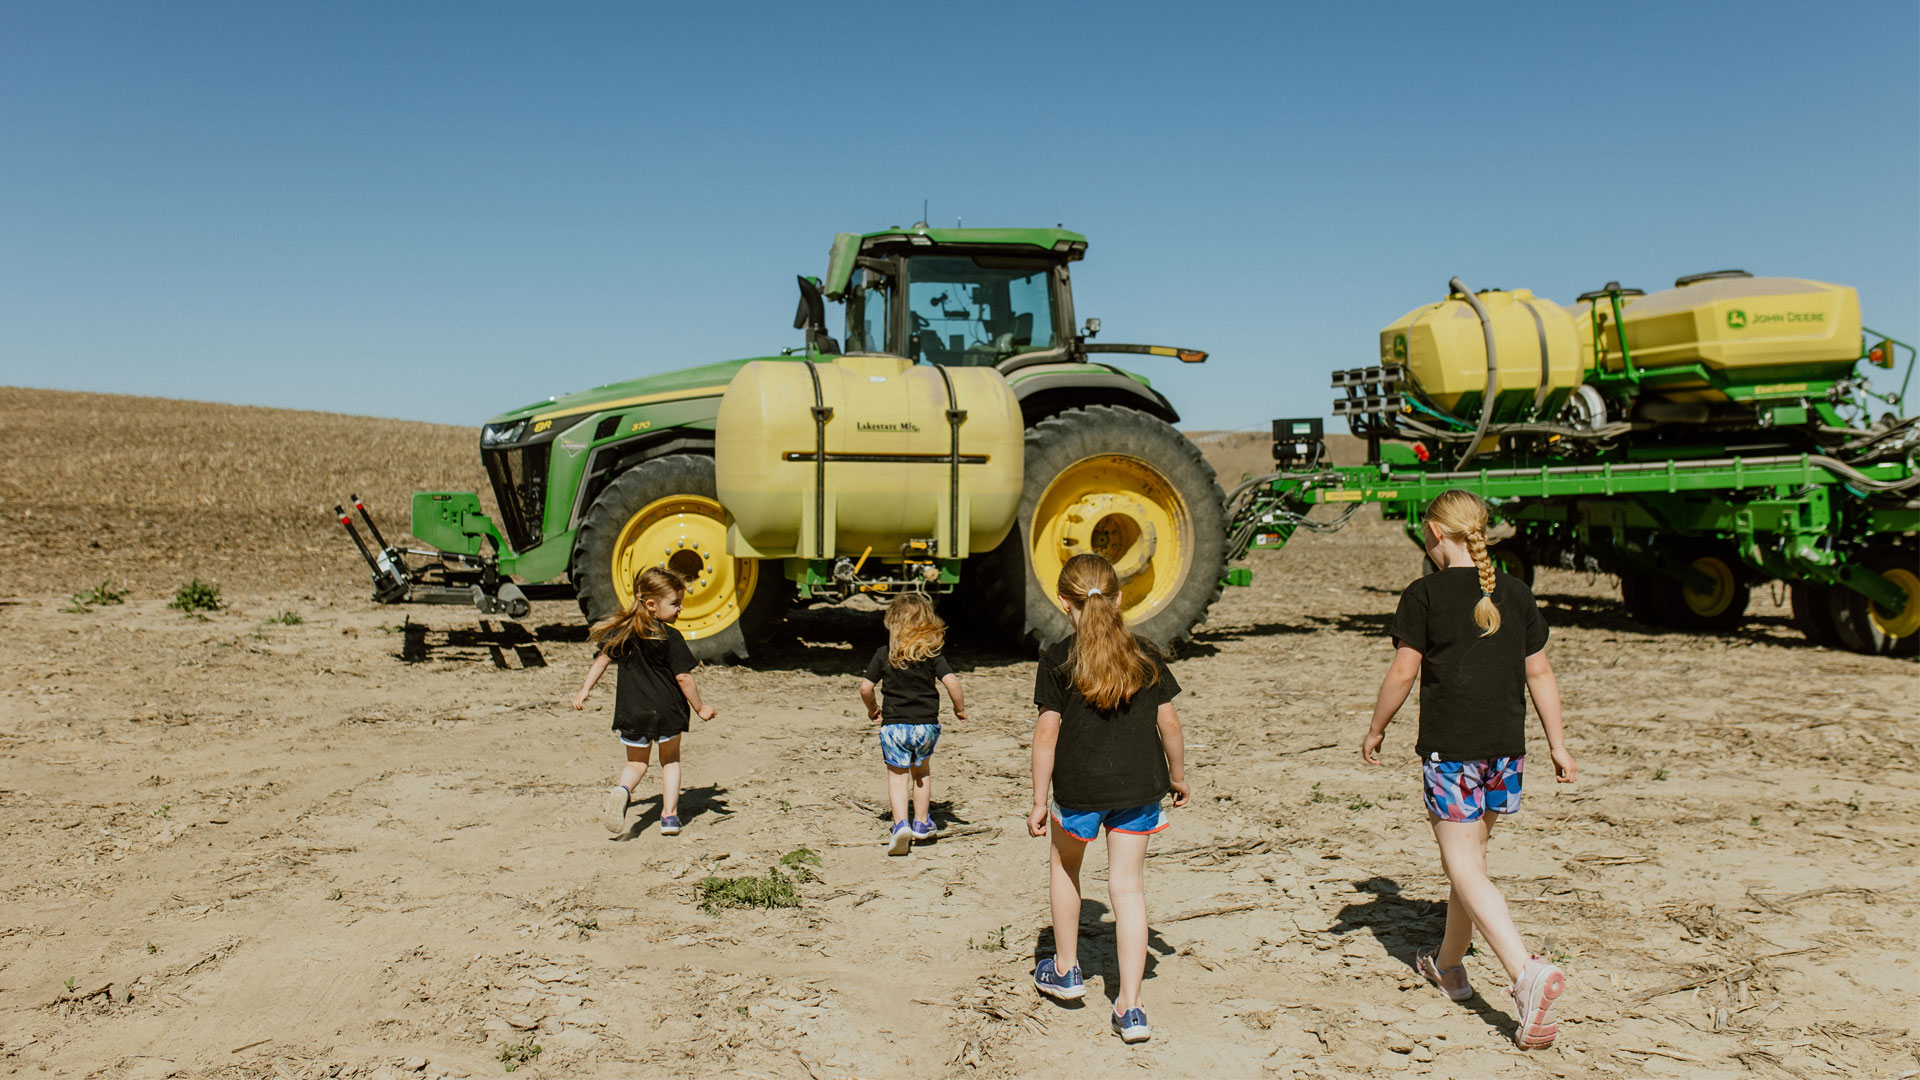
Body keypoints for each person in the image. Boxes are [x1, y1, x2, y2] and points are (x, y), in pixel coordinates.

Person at [1361, 489, 1576, 1050]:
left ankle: (1524, 973)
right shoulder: (1517, 593)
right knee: (1470, 865)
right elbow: (1542, 676)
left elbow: (1404, 674)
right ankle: (1450, 966)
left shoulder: (1424, 595)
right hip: (1506, 750)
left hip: (1451, 752)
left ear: (1434, 534)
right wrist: (1558, 744)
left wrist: (1377, 726)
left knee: (1463, 865)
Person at [1027, 553, 1190, 1045]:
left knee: (1065, 868)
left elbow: (1045, 736)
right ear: (1119, 598)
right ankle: (1131, 1006)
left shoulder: (1058, 658)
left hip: (1078, 789)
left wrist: (1039, 798)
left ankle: (1067, 969)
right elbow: (1170, 724)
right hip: (1139, 788)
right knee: (1129, 889)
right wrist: (1179, 776)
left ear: (1063, 602)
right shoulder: (1144, 654)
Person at [572, 567, 717, 837]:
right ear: (651, 605)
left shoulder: (623, 632)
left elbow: (602, 659)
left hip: (632, 710)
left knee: (636, 765)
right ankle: (669, 816)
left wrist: (585, 689)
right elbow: (684, 678)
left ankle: (623, 790)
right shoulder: (670, 636)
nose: (680, 608)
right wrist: (700, 707)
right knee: (670, 760)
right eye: (675, 603)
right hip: (667, 710)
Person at [858, 593, 967, 855]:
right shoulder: (933, 654)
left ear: (892, 623)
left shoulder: (884, 654)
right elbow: (952, 681)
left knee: (897, 777)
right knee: (921, 772)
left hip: (894, 726)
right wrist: (959, 708)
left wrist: (873, 709)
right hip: (925, 726)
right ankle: (921, 822)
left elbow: (865, 687)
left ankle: (900, 825)